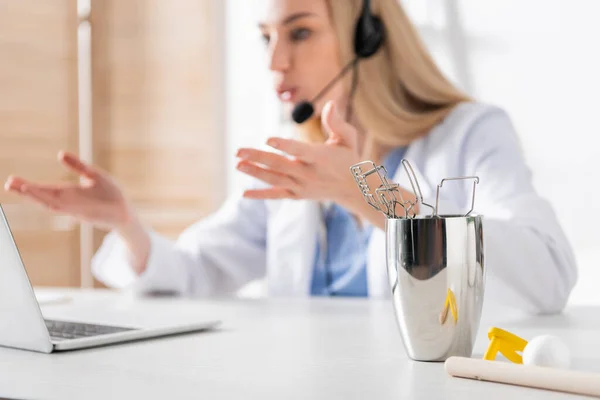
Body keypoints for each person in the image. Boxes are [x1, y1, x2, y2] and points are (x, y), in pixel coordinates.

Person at [4, 0, 576, 314]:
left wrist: (371, 195)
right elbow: (201, 272)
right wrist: (126, 226)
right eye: (264, 37)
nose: (275, 62)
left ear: (369, 37)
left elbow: (548, 275)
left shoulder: (470, 132)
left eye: (298, 34)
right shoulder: (295, 163)